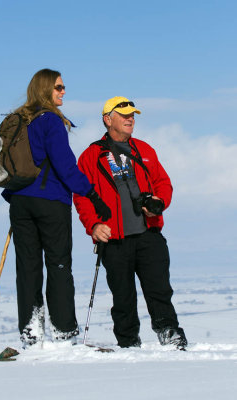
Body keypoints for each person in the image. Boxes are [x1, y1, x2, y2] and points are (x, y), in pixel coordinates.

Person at [1, 69, 111, 348]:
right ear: (45, 89)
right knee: (59, 265)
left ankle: (31, 333)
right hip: (50, 202)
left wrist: (13, 193)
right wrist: (91, 193)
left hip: (20, 202)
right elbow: (64, 164)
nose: (63, 92)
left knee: (27, 268)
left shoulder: (18, 120)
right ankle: (63, 332)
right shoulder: (50, 120)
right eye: (59, 87)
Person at [73, 96, 187, 350]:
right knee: (123, 297)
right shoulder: (91, 155)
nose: (130, 119)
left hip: (149, 233)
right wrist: (93, 226)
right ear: (107, 119)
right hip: (114, 238)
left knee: (159, 289)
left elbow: (163, 182)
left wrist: (159, 201)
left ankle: (169, 332)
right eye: (123, 115)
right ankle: (128, 342)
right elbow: (81, 195)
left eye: (132, 115)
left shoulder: (144, 150)